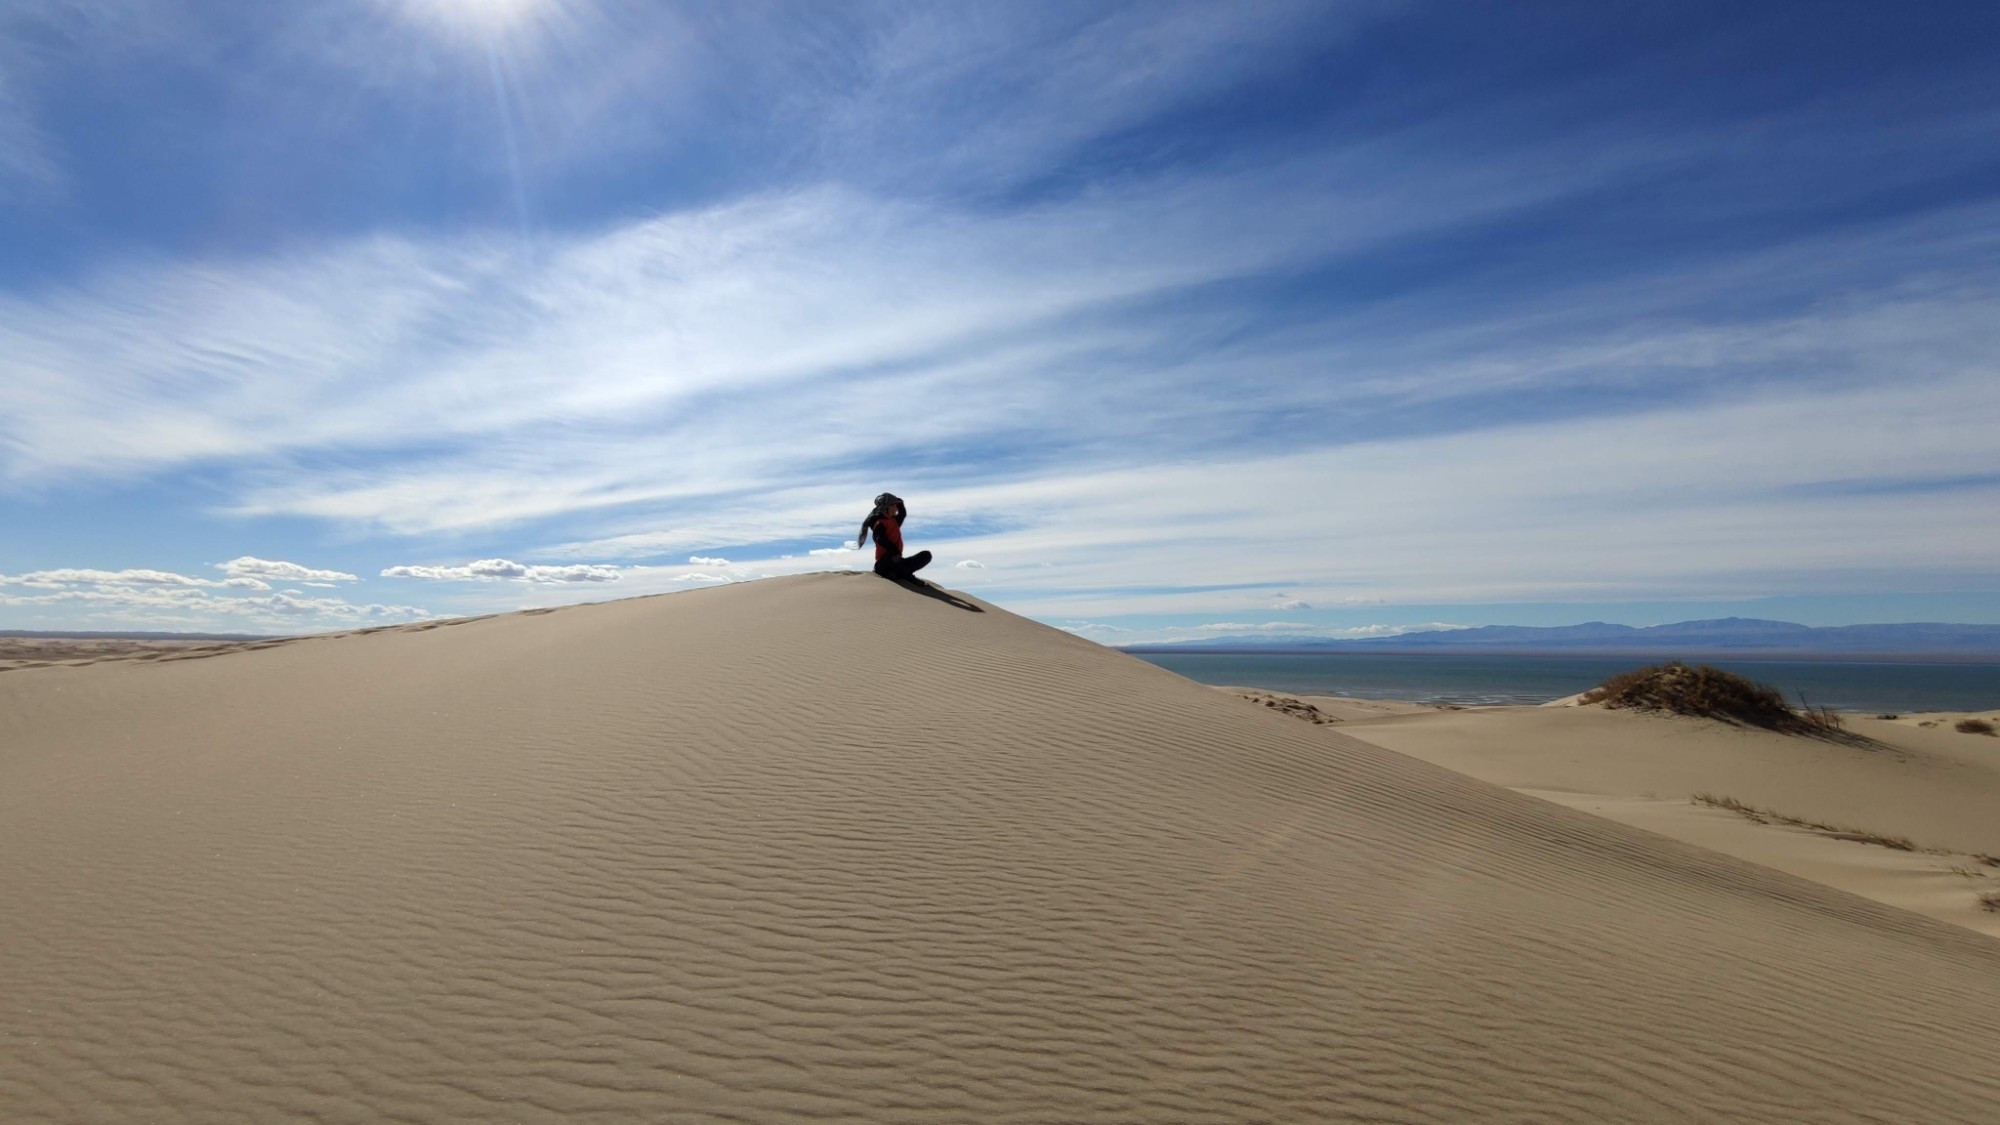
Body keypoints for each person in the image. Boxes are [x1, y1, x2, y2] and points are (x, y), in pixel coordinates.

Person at [857, 492, 931, 581]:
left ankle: (899, 573)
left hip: (897, 562)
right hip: (884, 564)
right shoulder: (879, 523)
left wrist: (900, 502)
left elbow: (902, 514)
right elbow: (880, 538)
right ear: (888, 508)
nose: (896, 508)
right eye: (894, 505)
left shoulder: (893, 521)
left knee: (926, 555)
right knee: (892, 556)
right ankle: (907, 577)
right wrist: (894, 550)